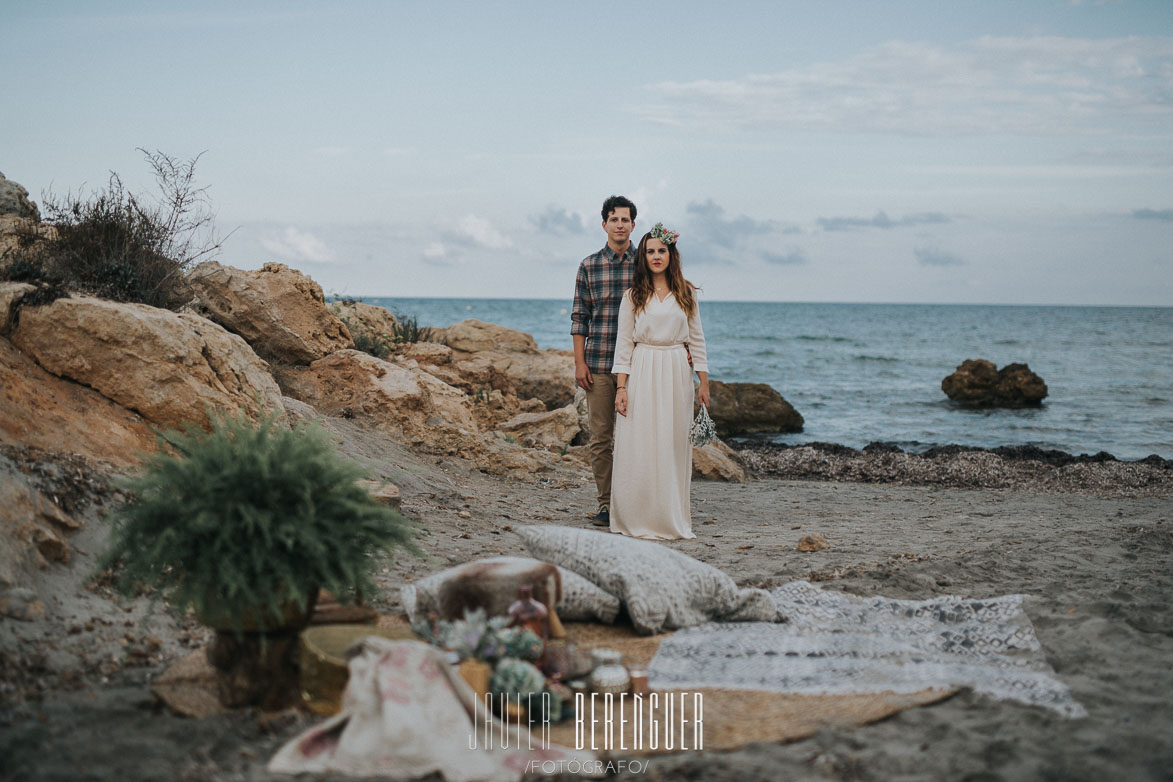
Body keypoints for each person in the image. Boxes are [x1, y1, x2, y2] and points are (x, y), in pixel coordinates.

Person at [609, 223, 709, 540]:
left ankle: (669, 517)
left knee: (672, 442)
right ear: (644, 257)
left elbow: (698, 340)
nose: (655, 256)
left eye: (661, 251)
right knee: (638, 443)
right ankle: (635, 516)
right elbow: (623, 344)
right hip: (642, 367)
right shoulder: (633, 296)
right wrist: (621, 387)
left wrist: (704, 382)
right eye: (650, 251)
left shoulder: (687, 293)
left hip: (677, 370)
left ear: (670, 254)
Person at [571, 195, 638, 527]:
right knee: (601, 437)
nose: (620, 224)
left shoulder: (648, 263)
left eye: (625, 219)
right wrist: (579, 363)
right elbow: (579, 319)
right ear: (604, 225)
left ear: (633, 225)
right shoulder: (589, 265)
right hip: (598, 364)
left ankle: (637, 502)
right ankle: (606, 504)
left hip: (639, 366)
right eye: (614, 219)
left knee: (638, 436)